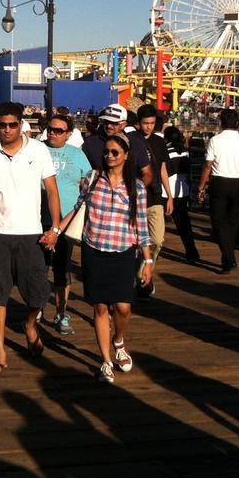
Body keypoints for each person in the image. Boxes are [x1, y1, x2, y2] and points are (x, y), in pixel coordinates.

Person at [0, 102, 61, 376]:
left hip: (31, 233)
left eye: (12, 124)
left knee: (38, 294)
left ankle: (30, 324)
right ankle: (0, 352)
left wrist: (55, 228)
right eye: (2, 125)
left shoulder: (38, 150)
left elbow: (52, 191)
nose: (7, 130)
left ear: (21, 124)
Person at [77, 132, 151, 383]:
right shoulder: (92, 179)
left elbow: (141, 223)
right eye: (106, 152)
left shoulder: (136, 187)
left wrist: (148, 260)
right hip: (94, 247)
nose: (109, 156)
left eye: (115, 153)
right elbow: (79, 207)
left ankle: (118, 340)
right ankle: (106, 361)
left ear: (126, 156)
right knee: (99, 306)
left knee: (123, 306)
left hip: (122, 250)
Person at [43, 113, 91, 335]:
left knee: (62, 270)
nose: (53, 133)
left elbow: (87, 184)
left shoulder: (77, 154)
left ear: (69, 134)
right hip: (38, 217)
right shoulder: (36, 149)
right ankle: (38, 308)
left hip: (66, 220)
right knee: (38, 268)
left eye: (59, 130)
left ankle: (61, 313)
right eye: (50, 129)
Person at [196, 108, 239, 274]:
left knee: (218, 222)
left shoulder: (215, 140)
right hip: (237, 182)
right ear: (237, 123)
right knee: (233, 222)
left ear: (221, 122)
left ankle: (228, 258)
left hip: (219, 182)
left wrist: (201, 187)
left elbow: (208, 165)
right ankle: (229, 256)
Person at [130, 105, 171, 297]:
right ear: (138, 123)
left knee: (158, 240)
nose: (149, 127)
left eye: (152, 123)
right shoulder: (130, 141)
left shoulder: (159, 142)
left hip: (155, 196)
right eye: (145, 123)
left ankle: (142, 273)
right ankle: (144, 278)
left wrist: (169, 195)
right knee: (135, 242)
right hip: (135, 198)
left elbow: (162, 169)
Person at [81, 105, 153, 194]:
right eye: (106, 122)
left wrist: (132, 191)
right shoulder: (90, 143)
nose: (109, 126)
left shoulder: (136, 144)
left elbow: (147, 173)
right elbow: (80, 172)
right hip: (97, 198)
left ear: (124, 124)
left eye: (114, 123)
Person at [163, 125, 199, 262]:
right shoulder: (185, 151)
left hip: (167, 190)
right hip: (183, 189)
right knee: (184, 223)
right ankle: (192, 251)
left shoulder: (167, 151)